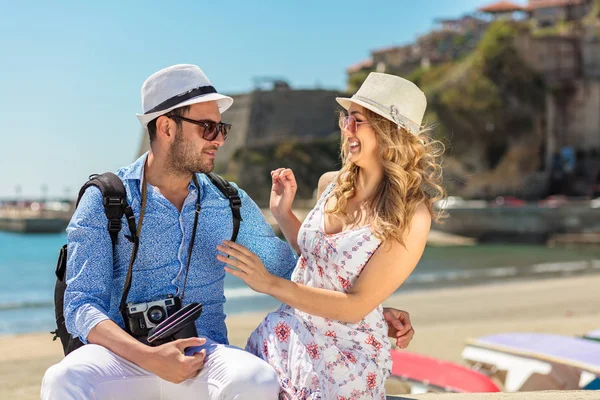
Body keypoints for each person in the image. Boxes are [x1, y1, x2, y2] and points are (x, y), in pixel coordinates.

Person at [41, 65, 415, 400]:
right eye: (208, 127)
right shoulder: (106, 199)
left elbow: (292, 273)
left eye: (222, 127)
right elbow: (80, 306)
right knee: (63, 380)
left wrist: (370, 308)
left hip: (204, 357)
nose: (219, 139)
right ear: (167, 127)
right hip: (121, 357)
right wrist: (149, 357)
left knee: (255, 379)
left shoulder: (229, 202)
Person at [217, 72, 445, 399]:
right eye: (346, 118)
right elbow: (317, 259)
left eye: (359, 120)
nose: (347, 128)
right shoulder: (330, 184)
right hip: (286, 331)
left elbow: (355, 306)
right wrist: (283, 214)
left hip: (344, 351)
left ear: (390, 131)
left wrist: (269, 283)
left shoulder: (411, 214)